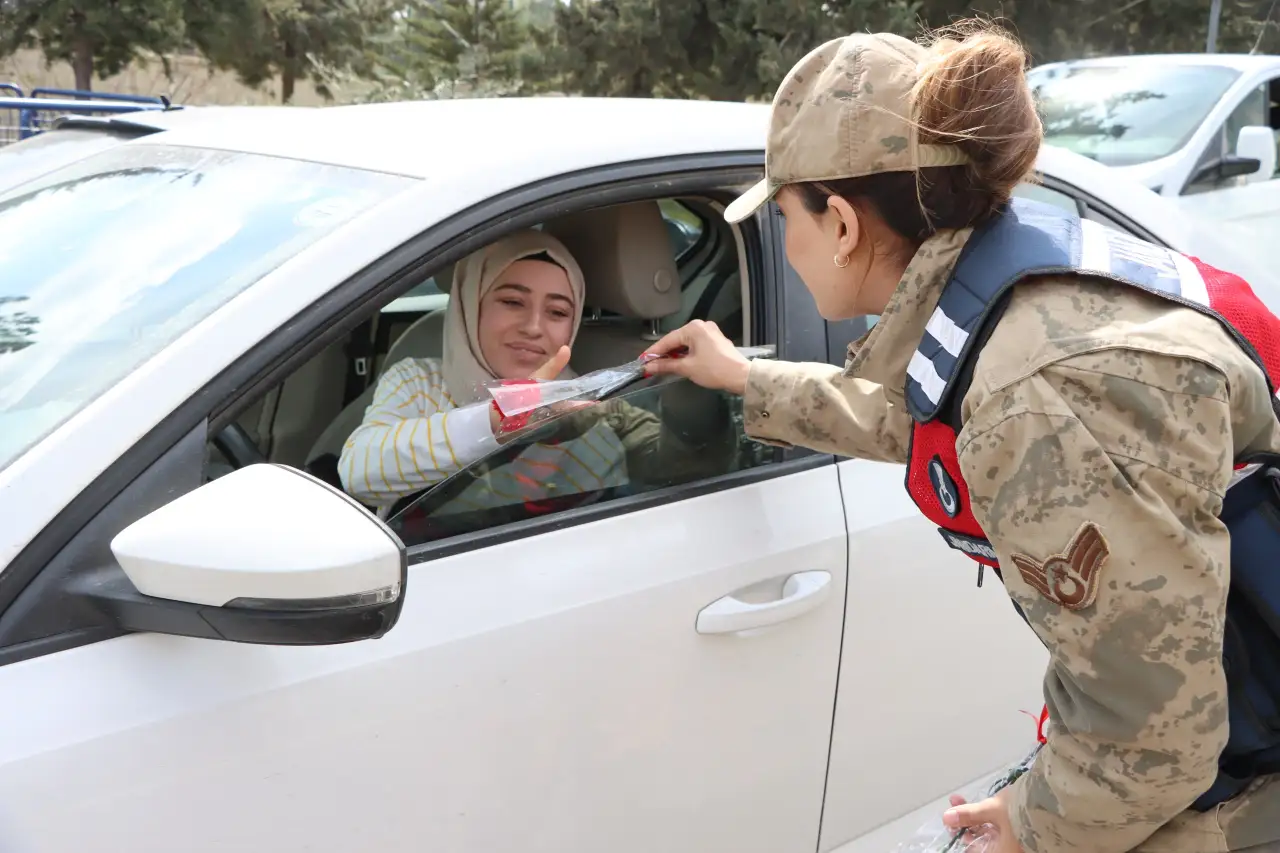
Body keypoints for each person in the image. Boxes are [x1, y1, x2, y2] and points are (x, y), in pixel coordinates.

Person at [643, 21, 1280, 853]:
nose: (785, 245)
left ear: (842, 224)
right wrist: (745, 378)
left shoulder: (1037, 393)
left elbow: (1153, 739)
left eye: (786, 217)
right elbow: (918, 414)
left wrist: (1030, 823)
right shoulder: (1000, 288)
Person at [340, 229, 731, 516]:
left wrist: (688, 395)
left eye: (557, 312)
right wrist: (500, 419)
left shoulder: (588, 402)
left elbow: (677, 465)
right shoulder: (419, 383)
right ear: (471, 305)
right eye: (512, 302)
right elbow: (358, 473)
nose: (533, 327)